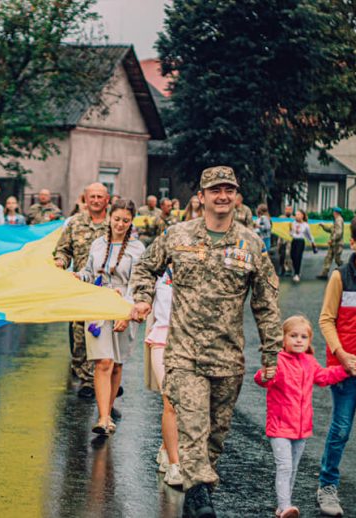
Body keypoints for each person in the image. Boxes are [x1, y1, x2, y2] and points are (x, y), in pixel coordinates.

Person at [129, 165, 282, 517]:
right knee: (193, 424)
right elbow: (145, 267)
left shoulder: (251, 243)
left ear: (236, 195)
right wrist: (143, 298)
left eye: (229, 189)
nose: (222, 196)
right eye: (215, 190)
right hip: (184, 354)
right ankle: (199, 494)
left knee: (216, 434)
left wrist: (272, 354)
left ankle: (198, 494)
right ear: (202, 196)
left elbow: (266, 303)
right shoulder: (178, 235)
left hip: (228, 357)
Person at [255, 316, 353, 518]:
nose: (298, 340)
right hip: (280, 426)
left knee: (293, 468)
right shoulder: (279, 361)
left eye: (303, 337)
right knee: (284, 466)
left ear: (309, 341)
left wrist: (344, 370)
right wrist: (265, 375)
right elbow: (263, 378)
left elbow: (323, 377)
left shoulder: (309, 362)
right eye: (293, 336)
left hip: (301, 428)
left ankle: (285, 505)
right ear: (283, 339)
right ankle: (284, 506)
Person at [316, 213, 356, 517]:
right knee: (339, 431)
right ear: (353, 243)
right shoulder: (340, 276)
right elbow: (326, 319)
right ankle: (327, 487)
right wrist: (340, 354)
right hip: (345, 370)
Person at [77, 199, 145, 435]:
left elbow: (139, 283)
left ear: (131, 222)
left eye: (126, 220)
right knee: (102, 361)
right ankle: (103, 417)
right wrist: (78, 278)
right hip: (98, 304)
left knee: (116, 363)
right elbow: (88, 272)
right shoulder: (97, 244)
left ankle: (109, 406)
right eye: (117, 219)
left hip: (124, 305)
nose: (120, 224)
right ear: (109, 218)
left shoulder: (137, 248)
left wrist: (126, 312)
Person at [53, 183, 110, 398]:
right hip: (80, 287)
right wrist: (60, 261)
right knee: (80, 334)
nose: (96, 200)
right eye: (92, 197)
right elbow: (63, 249)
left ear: (107, 199)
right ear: (85, 199)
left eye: (100, 197)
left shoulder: (114, 223)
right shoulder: (74, 224)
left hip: (107, 288)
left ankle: (105, 375)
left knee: (106, 333)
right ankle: (86, 378)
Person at [145, 266, 182, 488]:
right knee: (169, 398)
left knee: (183, 402)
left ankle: (166, 447)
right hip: (161, 338)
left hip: (189, 342)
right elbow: (139, 294)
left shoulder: (199, 266)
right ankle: (175, 465)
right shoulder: (156, 271)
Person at [289, 209, 317, 283]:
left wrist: (313, 242)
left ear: (302, 216)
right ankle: (296, 270)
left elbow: (309, 235)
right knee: (292, 256)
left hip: (300, 241)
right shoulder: (293, 223)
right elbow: (291, 232)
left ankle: (297, 274)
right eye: (296, 214)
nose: (296, 216)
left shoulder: (305, 225)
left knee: (298, 256)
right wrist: (291, 232)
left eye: (298, 214)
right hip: (294, 241)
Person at [318, 207, 345, 279]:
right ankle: (324, 274)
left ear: (336, 212)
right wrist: (323, 226)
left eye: (333, 211)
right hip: (333, 244)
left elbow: (339, 232)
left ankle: (346, 271)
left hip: (337, 244)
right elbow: (331, 230)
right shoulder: (336, 220)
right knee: (328, 258)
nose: (332, 213)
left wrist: (332, 239)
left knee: (337, 260)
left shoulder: (339, 220)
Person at [277, 205, 295, 276]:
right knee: (280, 253)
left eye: (289, 209)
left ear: (291, 210)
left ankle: (288, 269)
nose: (288, 211)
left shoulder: (293, 219)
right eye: (287, 209)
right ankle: (282, 267)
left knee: (288, 254)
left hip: (289, 238)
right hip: (281, 238)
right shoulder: (281, 218)